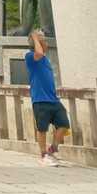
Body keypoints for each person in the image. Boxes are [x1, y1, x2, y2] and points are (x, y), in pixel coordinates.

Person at [25, 28, 69, 167]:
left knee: (64, 124)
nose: (46, 42)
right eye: (43, 40)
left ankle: (52, 149)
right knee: (42, 129)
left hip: (53, 99)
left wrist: (37, 38)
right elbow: (38, 52)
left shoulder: (46, 60)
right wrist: (35, 37)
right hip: (40, 99)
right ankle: (43, 155)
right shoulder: (30, 56)